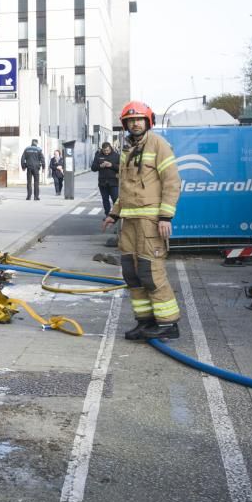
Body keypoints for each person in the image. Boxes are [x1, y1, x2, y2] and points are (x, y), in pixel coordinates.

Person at [101, 101, 181, 341]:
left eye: (139, 119)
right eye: (131, 120)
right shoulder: (127, 148)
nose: (135, 123)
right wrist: (114, 213)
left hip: (150, 220)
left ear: (148, 121)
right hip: (130, 222)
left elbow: (171, 182)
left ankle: (168, 323)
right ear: (125, 124)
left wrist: (165, 216)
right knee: (132, 272)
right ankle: (145, 321)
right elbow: (126, 188)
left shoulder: (159, 145)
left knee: (151, 271)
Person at [91, 142, 121, 216]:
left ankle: (115, 214)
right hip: (102, 182)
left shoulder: (116, 156)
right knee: (105, 199)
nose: (106, 152)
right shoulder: (98, 156)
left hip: (113, 182)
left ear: (110, 148)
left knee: (115, 199)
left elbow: (121, 168)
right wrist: (100, 166)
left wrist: (111, 165)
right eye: (104, 151)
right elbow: (93, 168)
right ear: (102, 149)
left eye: (107, 150)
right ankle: (107, 214)